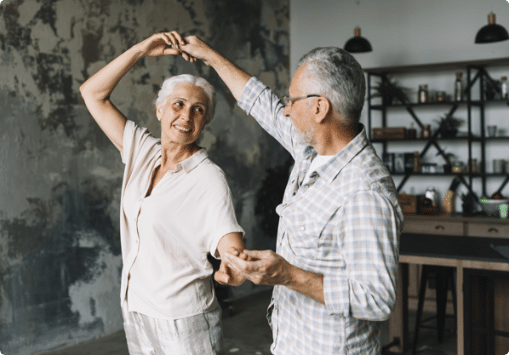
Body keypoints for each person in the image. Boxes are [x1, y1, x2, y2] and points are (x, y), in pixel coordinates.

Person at [173, 32, 404, 354]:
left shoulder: (364, 192)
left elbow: (377, 300)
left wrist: (288, 274)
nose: (284, 110)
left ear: (319, 107)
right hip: (291, 342)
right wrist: (208, 55)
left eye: (292, 100)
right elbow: (259, 102)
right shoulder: (310, 148)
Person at [79, 32, 248, 355]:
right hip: (137, 309)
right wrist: (141, 50)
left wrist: (232, 264)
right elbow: (92, 93)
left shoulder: (209, 178)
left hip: (183, 321)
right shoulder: (142, 150)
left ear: (205, 122)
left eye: (198, 110)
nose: (186, 116)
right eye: (178, 104)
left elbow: (230, 244)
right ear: (160, 111)